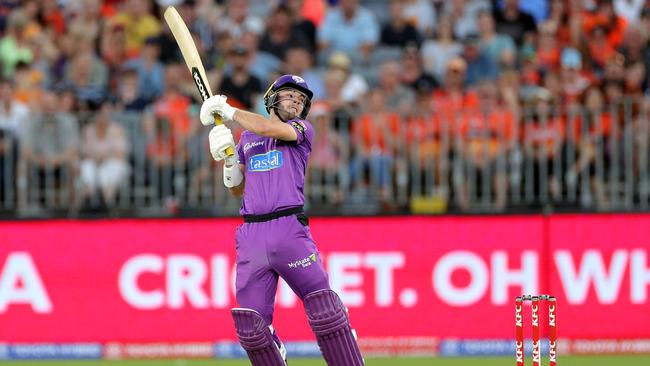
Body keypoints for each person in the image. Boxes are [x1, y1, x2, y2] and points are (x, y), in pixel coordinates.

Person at [199, 75, 364, 366]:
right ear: (272, 98)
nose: (297, 102)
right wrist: (227, 161)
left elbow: (266, 126)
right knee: (252, 329)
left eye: (301, 100)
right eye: (290, 95)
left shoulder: (300, 129)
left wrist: (229, 112)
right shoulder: (248, 139)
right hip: (251, 234)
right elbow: (237, 188)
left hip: (288, 230)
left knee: (325, 310)